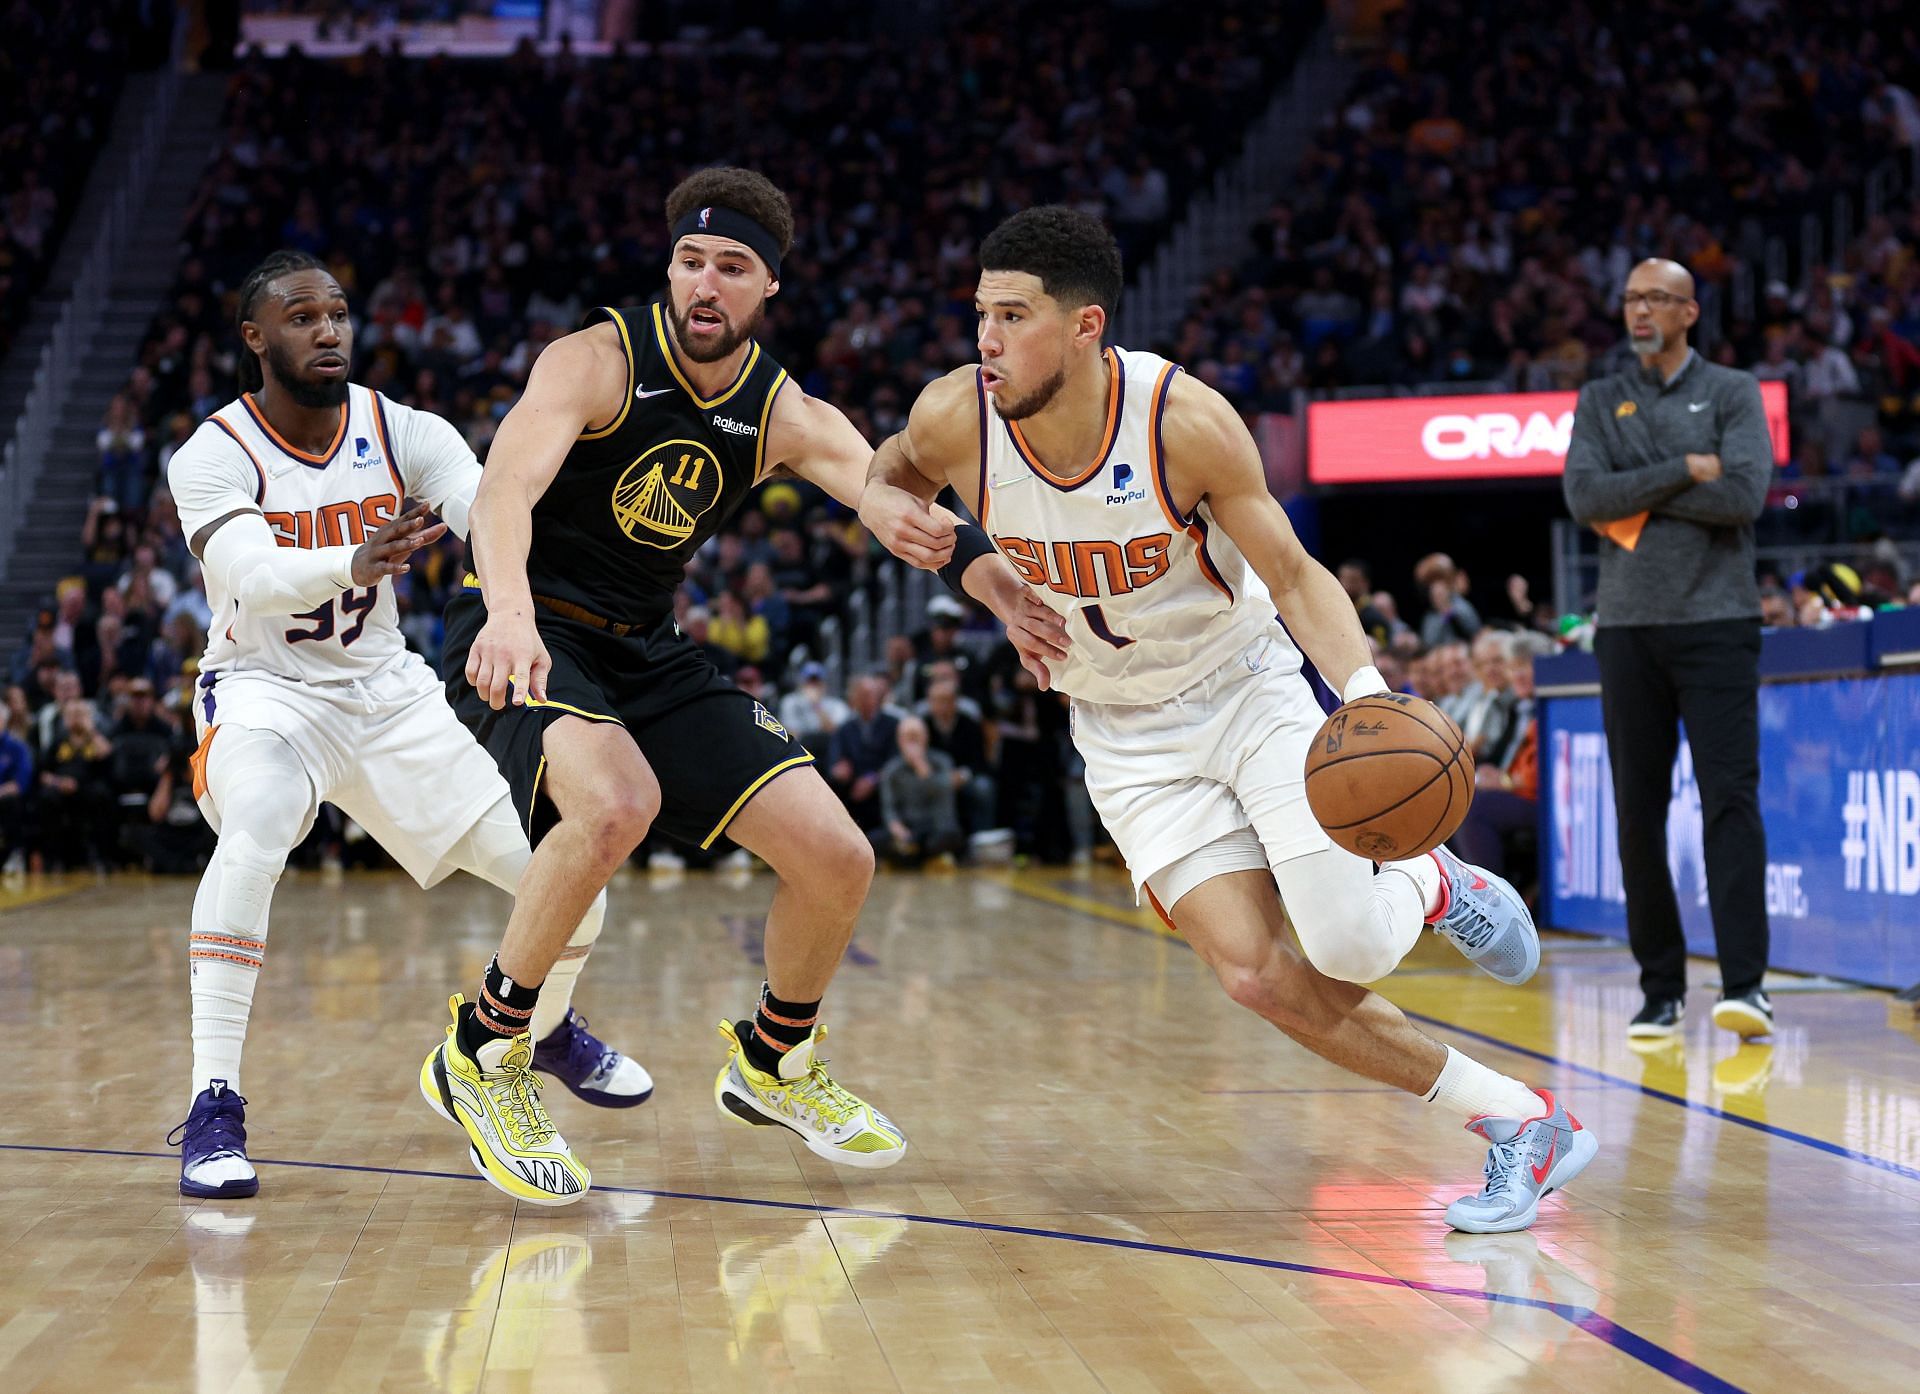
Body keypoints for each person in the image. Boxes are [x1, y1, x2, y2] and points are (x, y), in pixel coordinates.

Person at [861, 206, 1595, 1234]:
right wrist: (981, 575)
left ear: (1085, 326)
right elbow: (885, 478)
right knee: (1254, 973)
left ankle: (1430, 878)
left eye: (1013, 315)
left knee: (1346, 945)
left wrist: (1370, 699)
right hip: (1120, 729)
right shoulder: (954, 416)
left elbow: (1294, 574)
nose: (986, 338)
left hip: (1243, 689)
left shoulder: (1182, 420)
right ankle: (1523, 1119)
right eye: (980, 312)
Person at [439, 167, 1062, 1188]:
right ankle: (484, 1046)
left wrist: (999, 591)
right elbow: (505, 482)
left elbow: (896, 499)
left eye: (732, 267)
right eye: (691, 260)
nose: (704, 283)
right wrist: (507, 609)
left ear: (768, 289)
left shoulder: (782, 411)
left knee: (838, 854)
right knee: (614, 804)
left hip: (645, 643)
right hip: (526, 623)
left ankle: (775, 1060)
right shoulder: (596, 359)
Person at [164, 250, 649, 1205]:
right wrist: (355, 559)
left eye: (338, 312)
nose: (329, 330)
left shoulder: (403, 428)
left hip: (390, 696)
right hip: (265, 693)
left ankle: (532, 1026)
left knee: (575, 885)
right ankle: (213, 1101)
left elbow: (488, 505)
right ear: (255, 337)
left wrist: (548, 525)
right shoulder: (214, 452)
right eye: (301, 316)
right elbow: (252, 580)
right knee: (256, 828)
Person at [1562, 258, 1773, 1042]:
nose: (1639, 310)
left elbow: (1744, 496)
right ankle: (1660, 989)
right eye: (1630, 298)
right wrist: (1686, 469)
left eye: (1656, 298)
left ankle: (1747, 988)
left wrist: (1639, 492)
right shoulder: (1597, 398)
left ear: (1689, 312)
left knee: (1730, 802)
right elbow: (1586, 498)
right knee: (1636, 812)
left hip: (1719, 623)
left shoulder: (1732, 391)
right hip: (1625, 628)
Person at [873, 716, 966, 868]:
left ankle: (911, 858)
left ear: (926, 737)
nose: (912, 742)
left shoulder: (942, 762)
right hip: (909, 828)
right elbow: (889, 808)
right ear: (899, 740)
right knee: (874, 840)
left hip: (936, 827)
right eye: (907, 737)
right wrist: (898, 829)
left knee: (950, 837)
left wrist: (923, 770)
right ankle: (925, 859)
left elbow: (945, 802)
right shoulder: (891, 770)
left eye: (916, 737)